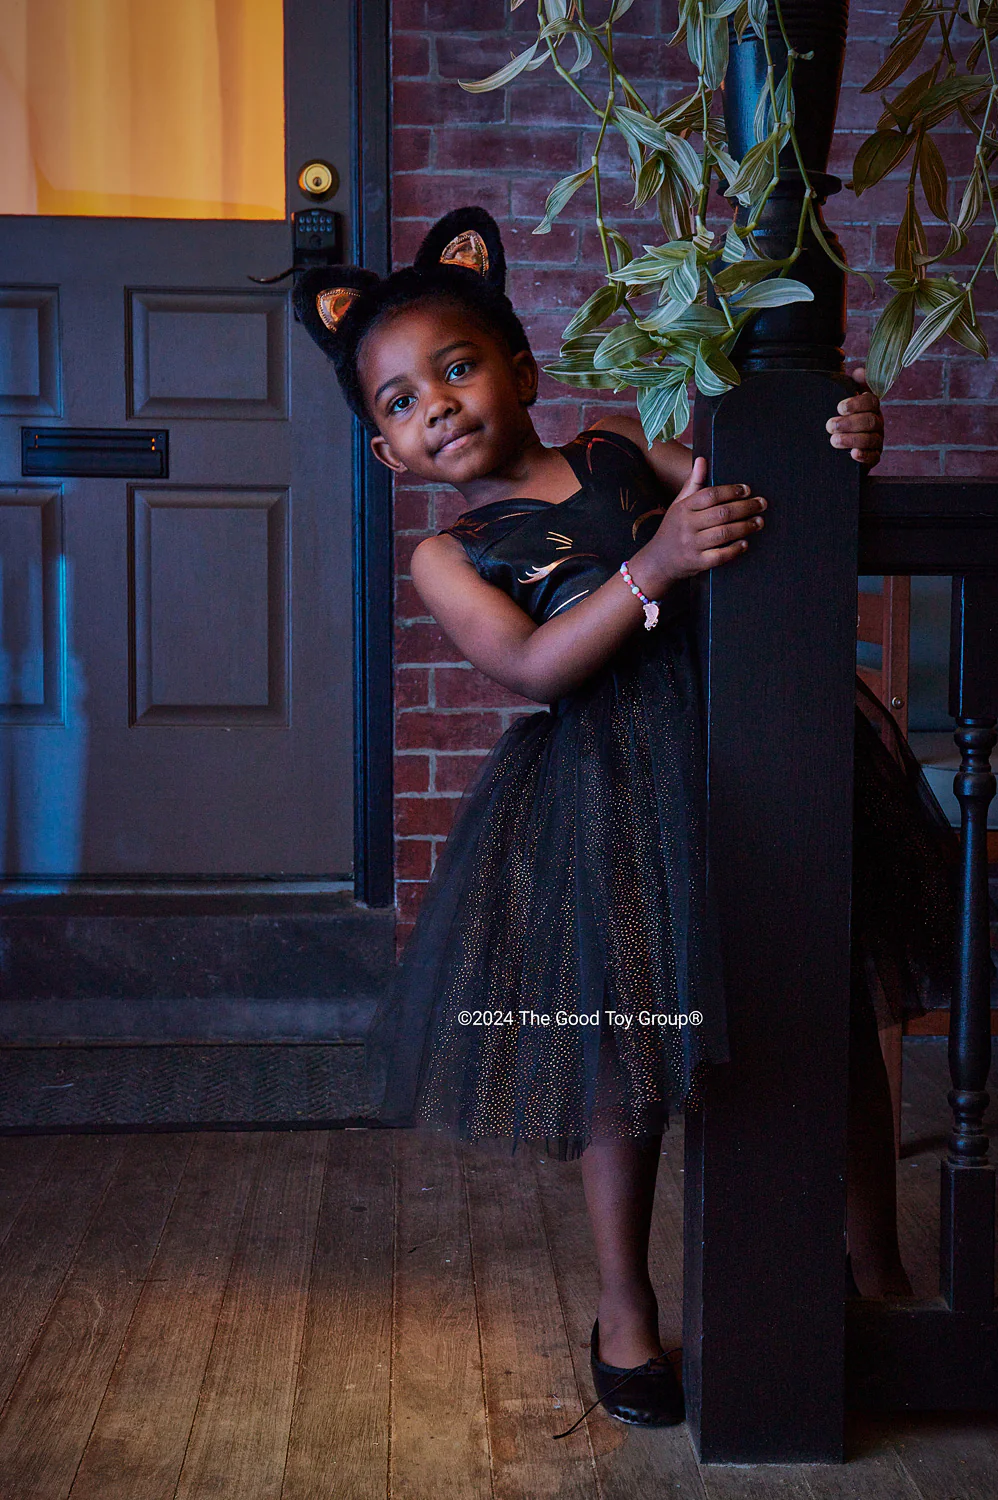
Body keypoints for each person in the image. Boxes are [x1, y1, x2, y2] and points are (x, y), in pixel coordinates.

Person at [293, 207, 960, 1431]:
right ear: (388, 456)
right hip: (608, 799)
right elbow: (538, 666)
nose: (434, 404)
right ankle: (624, 1309)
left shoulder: (609, 448)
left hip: (747, 749)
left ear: (522, 371)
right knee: (625, 1055)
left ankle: (874, 1264)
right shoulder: (452, 556)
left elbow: (742, 492)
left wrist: (838, 439)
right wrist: (650, 575)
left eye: (456, 367)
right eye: (397, 402)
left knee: (827, 999)